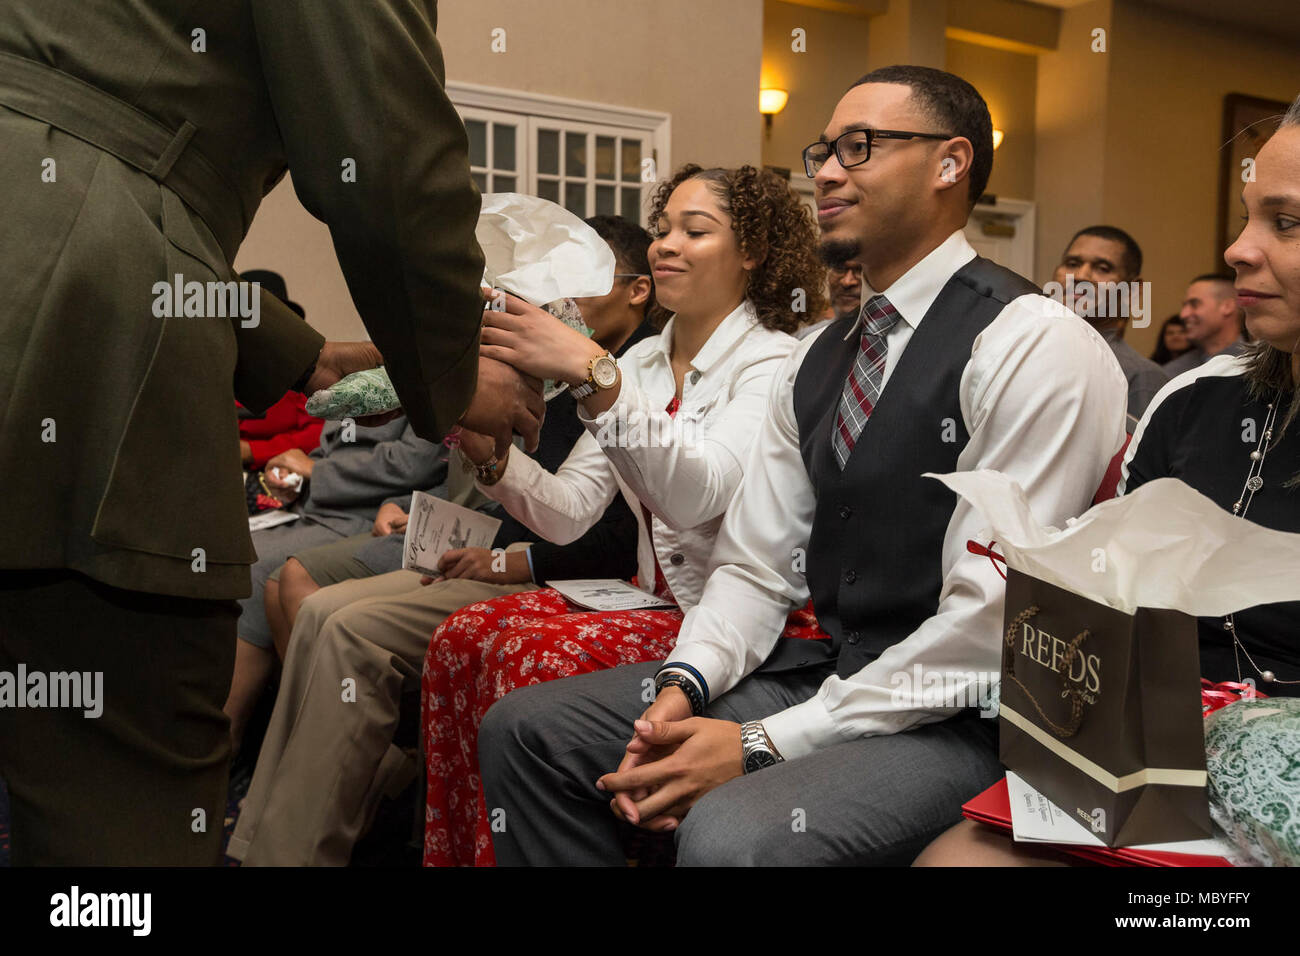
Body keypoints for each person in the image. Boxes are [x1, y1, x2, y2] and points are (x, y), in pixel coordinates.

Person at [475, 66, 1126, 866]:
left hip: (966, 715)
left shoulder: (1033, 340)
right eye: (825, 150)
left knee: (733, 835)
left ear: (951, 164)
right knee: (533, 732)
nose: (822, 170)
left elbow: (991, 625)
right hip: (824, 671)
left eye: (860, 147)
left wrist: (761, 741)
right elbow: (753, 567)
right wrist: (683, 688)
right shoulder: (819, 355)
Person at [0, 1, 542, 865]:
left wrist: (313, 359)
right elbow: (386, 158)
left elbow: (92, 154)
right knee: (116, 782)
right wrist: (456, 370)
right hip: (78, 325)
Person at [916, 94, 1300, 867]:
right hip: (1143, 758)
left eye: (1285, 223)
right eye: (1247, 215)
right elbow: (1115, 606)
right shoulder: (1194, 399)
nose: (1236, 249)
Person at [422, 163, 829, 866]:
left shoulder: (774, 362)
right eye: (663, 228)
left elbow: (700, 493)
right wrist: (493, 460)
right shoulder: (642, 361)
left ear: (753, 253)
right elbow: (571, 513)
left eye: (695, 231)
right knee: (461, 636)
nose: (666, 244)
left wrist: (592, 372)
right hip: (648, 605)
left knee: (526, 655)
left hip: (733, 621)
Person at [228, 217, 656, 866]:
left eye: (581, 283)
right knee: (311, 604)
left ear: (636, 291)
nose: (562, 300)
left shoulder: (622, 371)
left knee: (340, 622)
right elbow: (551, 498)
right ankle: (271, 838)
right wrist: (486, 463)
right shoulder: (579, 358)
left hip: (554, 569)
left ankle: (320, 827)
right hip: (498, 540)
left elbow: (604, 530)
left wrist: (509, 552)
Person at [224, 416, 450, 755]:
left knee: (254, 570)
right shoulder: (364, 373)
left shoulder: (427, 376)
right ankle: (227, 744)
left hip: (371, 515)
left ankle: (235, 741)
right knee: (224, 553)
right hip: (323, 506)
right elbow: (331, 446)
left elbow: (413, 463)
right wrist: (297, 475)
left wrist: (318, 472)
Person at [1050, 225, 1168, 430]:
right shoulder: (1029, 348)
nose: (1081, 275)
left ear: (1132, 289)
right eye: (1072, 263)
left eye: (1103, 268)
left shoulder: (1140, 376)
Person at [236, 271, 326, 469]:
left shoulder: (303, 370)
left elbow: (317, 434)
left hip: (282, 474)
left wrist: (252, 450)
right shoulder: (217, 369)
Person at [1163, 274, 1249, 375]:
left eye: (1194, 304)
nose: (1183, 314)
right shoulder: (1174, 372)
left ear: (1227, 307)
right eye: (1184, 306)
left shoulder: (1258, 366)